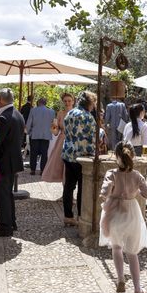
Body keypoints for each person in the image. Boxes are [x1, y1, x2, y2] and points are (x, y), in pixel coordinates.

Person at [99, 142, 147, 293]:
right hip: (131, 213)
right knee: (132, 252)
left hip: (114, 212)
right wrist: (138, 192)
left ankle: (120, 278)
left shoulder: (111, 173)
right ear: (132, 157)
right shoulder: (136, 175)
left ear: (116, 157)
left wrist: (107, 194)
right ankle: (137, 289)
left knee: (116, 248)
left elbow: (105, 191)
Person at [0, 88, 25, 237]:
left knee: (3, 195)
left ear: (0, 100)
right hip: (13, 160)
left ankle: (6, 226)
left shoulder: (4, 117)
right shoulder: (18, 114)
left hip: (3, 161)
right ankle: (11, 222)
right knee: (8, 193)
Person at [62, 91, 97, 226]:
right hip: (82, 157)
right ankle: (82, 217)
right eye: (93, 103)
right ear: (89, 103)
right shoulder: (88, 117)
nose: (94, 106)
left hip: (68, 154)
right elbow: (93, 138)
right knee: (83, 188)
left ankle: (68, 216)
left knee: (69, 187)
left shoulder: (70, 113)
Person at [42, 93, 74, 183]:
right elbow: (56, 132)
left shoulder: (76, 113)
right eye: (65, 101)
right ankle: (65, 190)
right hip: (61, 140)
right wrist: (53, 129)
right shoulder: (60, 113)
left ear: (73, 102)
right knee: (60, 165)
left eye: (69, 101)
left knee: (70, 166)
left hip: (73, 141)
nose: (67, 103)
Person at [26, 97, 56, 175]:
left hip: (35, 134)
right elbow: (53, 124)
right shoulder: (52, 112)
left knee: (33, 153)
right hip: (46, 135)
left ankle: (33, 170)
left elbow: (29, 123)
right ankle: (43, 170)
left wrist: (28, 132)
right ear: (45, 103)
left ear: (38, 103)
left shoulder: (33, 110)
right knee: (44, 154)